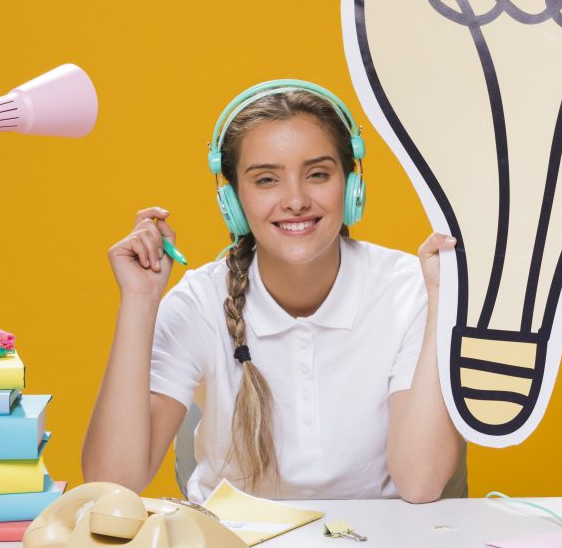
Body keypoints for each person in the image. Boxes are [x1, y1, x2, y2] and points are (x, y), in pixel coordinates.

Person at [82, 80, 462, 502]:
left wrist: (444, 301)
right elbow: (112, 483)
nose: (296, 200)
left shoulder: (410, 289)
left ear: (352, 187)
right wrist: (139, 300)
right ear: (232, 200)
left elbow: (421, 483)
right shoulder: (200, 302)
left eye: (318, 174)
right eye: (266, 180)